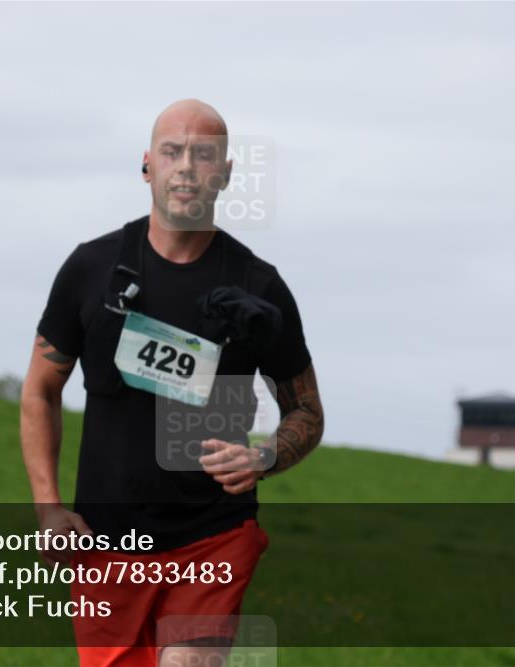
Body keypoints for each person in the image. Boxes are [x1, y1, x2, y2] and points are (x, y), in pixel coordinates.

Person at [20, 99, 324, 667]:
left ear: (226, 174)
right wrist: (48, 507)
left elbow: (307, 411)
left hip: (213, 537)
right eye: (172, 151)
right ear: (147, 166)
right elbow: (41, 390)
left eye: (203, 154)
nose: (186, 166)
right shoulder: (92, 269)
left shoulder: (259, 286)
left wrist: (263, 457)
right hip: (106, 545)